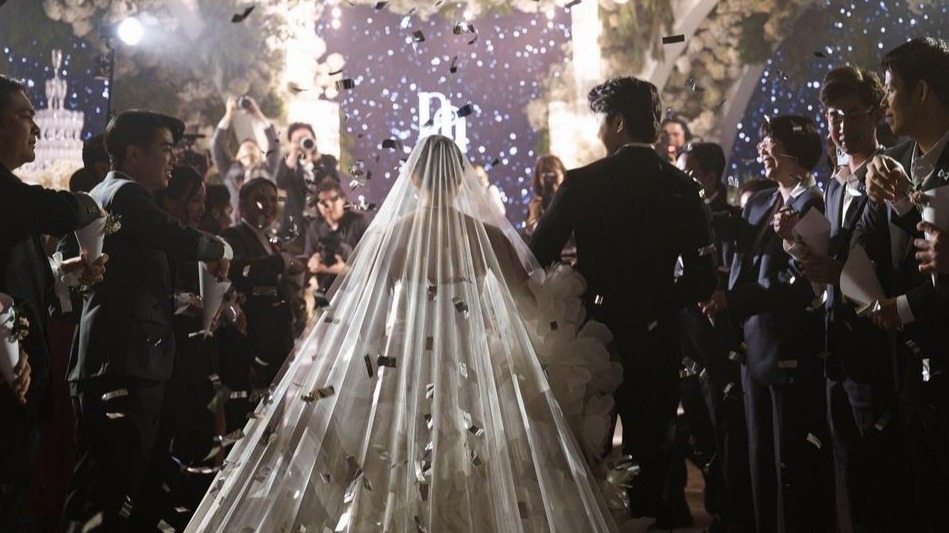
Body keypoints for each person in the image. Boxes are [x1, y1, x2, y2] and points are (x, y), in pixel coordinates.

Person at [185, 133, 620, 532]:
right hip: (476, 368)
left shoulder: (393, 236)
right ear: (461, 178)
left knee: (397, 471)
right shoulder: (486, 237)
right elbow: (531, 308)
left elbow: (367, 321)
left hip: (406, 369)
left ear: (412, 178)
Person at [531, 76, 717, 520]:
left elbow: (538, 255)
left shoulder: (582, 183)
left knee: (587, 464)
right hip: (656, 342)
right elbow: (702, 280)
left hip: (592, 341)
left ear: (617, 122)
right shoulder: (682, 187)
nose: (597, 131)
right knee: (651, 467)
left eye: (600, 120)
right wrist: (655, 304)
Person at [63, 110, 232, 533]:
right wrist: (220, 249)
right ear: (133, 154)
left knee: (98, 489)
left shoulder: (99, 195)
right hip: (125, 365)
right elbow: (174, 234)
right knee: (114, 493)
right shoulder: (126, 194)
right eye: (165, 148)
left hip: (107, 362)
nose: (173, 158)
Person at [701, 114, 835, 533]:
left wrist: (733, 299)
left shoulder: (814, 205)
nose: (761, 150)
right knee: (758, 460)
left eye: (770, 143)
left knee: (790, 464)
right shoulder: (760, 201)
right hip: (752, 350)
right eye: (762, 142)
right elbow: (734, 237)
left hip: (789, 349)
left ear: (795, 152)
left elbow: (799, 283)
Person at [0, 73, 105, 533]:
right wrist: (92, 203)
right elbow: (61, 210)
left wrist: (64, 272)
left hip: (19, 384)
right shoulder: (9, 194)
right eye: (25, 116)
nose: (37, 128)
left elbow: (16, 279)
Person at [801, 65, 902, 533]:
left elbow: (895, 265)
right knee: (850, 479)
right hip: (835, 352)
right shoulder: (835, 183)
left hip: (878, 347)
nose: (841, 126)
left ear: (877, 113)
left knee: (886, 480)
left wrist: (838, 272)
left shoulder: (889, 173)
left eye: (850, 114)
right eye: (832, 117)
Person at [854, 36, 949, 532]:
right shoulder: (891, 162)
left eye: (891, 89)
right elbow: (865, 238)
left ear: (923, 91)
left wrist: (903, 308)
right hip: (903, 366)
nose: (884, 102)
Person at [222, 178, 305, 387]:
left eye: (273, 199)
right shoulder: (233, 236)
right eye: (260, 198)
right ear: (242, 205)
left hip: (279, 342)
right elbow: (238, 270)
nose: (268, 205)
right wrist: (280, 262)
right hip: (254, 344)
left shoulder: (272, 242)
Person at [274, 122, 344, 249]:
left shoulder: (328, 160)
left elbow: (334, 185)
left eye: (306, 138)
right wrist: (293, 155)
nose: (303, 142)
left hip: (323, 221)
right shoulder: (288, 162)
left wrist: (317, 160)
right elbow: (281, 183)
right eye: (297, 140)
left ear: (314, 139)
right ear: (291, 143)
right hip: (295, 222)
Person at [210, 96, 280, 219]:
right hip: (235, 222)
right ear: (237, 156)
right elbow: (217, 146)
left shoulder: (267, 170)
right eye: (245, 148)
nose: (249, 150)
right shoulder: (228, 170)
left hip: (261, 221)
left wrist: (257, 113)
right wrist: (229, 115)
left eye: (253, 148)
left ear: (260, 155)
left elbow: (274, 144)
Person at [304, 178, 370, 293]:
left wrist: (344, 270)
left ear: (343, 199)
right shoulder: (315, 227)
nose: (328, 205)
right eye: (322, 202)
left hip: (353, 291)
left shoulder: (358, 223)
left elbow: (369, 266)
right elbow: (307, 261)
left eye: (333, 199)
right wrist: (313, 262)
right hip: (323, 291)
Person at [524, 154, 566, 235]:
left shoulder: (572, 199)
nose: (550, 180)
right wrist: (532, 218)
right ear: (539, 179)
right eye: (546, 177)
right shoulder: (538, 205)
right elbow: (528, 236)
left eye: (554, 175)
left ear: (563, 174)